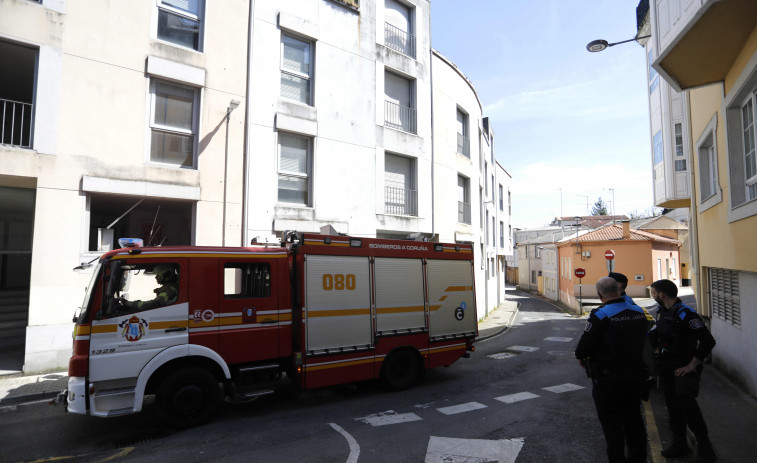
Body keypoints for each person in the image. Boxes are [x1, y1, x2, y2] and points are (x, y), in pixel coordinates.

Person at [575, 277, 649, 463]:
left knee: (612, 427)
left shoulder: (601, 315)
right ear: (619, 289)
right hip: (635, 377)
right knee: (634, 421)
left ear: (600, 295)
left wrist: (585, 359)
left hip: (609, 381)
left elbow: (582, 349)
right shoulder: (639, 311)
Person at [648, 279, 717, 462]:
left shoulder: (686, 314)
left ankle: (704, 446)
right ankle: (679, 445)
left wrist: (692, 365)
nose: (653, 296)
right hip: (666, 367)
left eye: (653, 293)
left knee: (687, 406)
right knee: (673, 408)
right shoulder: (662, 312)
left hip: (683, 368)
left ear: (661, 294)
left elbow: (708, 341)